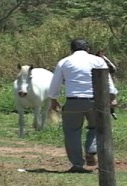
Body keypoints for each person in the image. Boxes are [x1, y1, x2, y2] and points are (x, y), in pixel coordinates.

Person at [48, 38, 118, 173]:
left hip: (73, 101)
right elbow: (107, 80)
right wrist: (112, 97)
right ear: (88, 49)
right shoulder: (98, 61)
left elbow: (55, 82)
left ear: (71, 49)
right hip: (96, 101)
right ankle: (92, 149)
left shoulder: (64, 62)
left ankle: (77, 164)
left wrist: (53, 99)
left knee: (72, 131)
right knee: (97, 126)